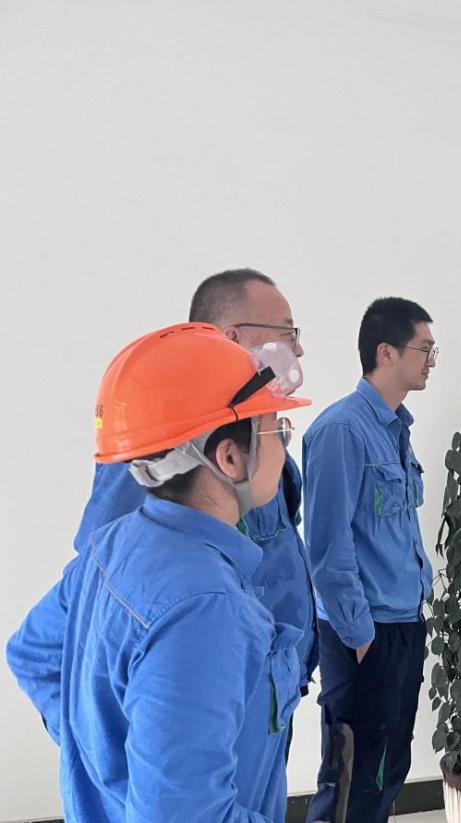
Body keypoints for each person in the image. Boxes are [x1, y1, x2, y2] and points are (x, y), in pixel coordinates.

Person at [7, 322, 310, 821]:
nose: (283, 444)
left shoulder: (115, 545)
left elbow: (31, 653)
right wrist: (136, 783)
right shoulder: (205, 607)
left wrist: (112, 767)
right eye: (276, 429)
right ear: (230, 457)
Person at [72, 268, 318, 706]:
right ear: (233, 337)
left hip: (269, 690)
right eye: (287, 332)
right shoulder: (164, 444)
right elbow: (99, 586)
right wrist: (103, 736)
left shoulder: (259, 440)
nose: (297, 348)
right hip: (216, 694)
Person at [304, 297, 437, 823]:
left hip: (403, 623)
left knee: (389, 765)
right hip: (363, 633)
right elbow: (326, 547)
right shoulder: (341, 430)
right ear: (386, 352)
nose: (431, 361)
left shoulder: (395, 429)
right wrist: (359, 635)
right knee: (351, 776)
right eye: (424, 349)